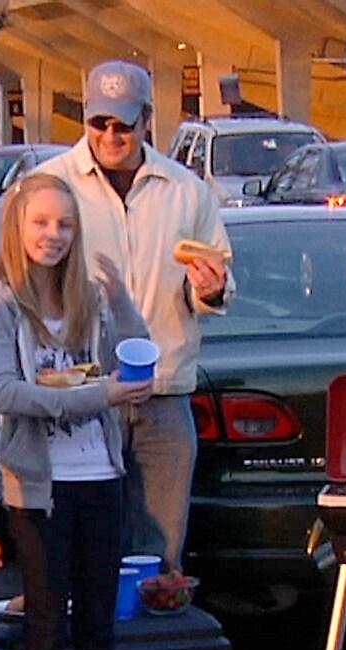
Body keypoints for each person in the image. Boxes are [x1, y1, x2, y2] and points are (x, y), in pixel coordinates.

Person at [0, 173, 154, 650]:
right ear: (16, 228)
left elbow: (134, 368)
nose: (53, 236)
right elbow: (6, 394)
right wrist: (94, 396)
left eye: (65, 225)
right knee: (46, 629)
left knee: (99, 626)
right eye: (41, 223)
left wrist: (123, 303)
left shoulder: (86, 298)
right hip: (39, 491)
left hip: (100, 477)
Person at [38, 60, 232, 575]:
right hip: (83, 392)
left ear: (147, 119)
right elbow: (18, 279)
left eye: (122, 124)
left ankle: (153, 643)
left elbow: (215, 285)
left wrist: (210, 289)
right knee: (80, 543)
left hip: (164, 392)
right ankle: (87, 647)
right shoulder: (48, 185)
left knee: (159, 551)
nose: (109, 134)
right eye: (98, 122)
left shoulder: (186, 190)